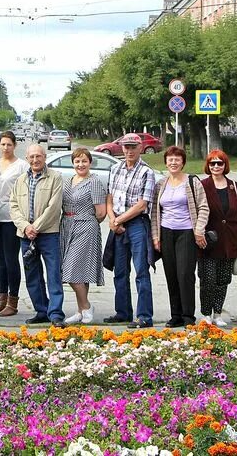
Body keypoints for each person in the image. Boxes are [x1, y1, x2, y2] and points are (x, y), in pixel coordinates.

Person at [150, 145, 209, 328]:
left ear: (183, 162)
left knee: (185, 274)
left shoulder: (192, 182)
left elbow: (203, 207)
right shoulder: (161, 184)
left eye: (177, 159)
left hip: (186, 233)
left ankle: (188, 316)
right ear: (166, 163)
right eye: (170, 160)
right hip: (166, 232)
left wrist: (199, 230)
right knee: (171, 275)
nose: (173, 162)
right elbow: (154, 212)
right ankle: (175, 315)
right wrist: (156, 236)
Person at [104, 133, 157, 329]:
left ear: (140, 147)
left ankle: (144, 316)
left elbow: (142, 204)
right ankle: (123, 312)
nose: (129, 150)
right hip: (117, 224)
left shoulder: (146, 172)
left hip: (136, 224)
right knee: (120, 271)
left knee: (141, 271)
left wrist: (118, 219)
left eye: (133, 146)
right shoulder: (115, 168)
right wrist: (112, 220)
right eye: (126, 146)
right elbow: (109, 197)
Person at [10, 143, 65, 328]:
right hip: (25, 236)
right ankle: (41, 310)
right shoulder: (20, 180)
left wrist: (36, 227)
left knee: (53, 274)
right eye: (31, 157)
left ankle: (56, 313)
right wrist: (26, 227)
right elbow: (13, 206)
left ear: (44, 157)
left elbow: (54, 207)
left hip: (48, 234)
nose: (35, 160)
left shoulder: (55, 178)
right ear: (27, 159)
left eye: (38, 156)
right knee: (32, 275)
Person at [199, 149, 237, 327]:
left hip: (229, 240)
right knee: (208, 279)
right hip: (209, 241)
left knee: (222, 280)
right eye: (212, 163)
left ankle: (218, 313)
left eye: (219, 163)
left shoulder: (235, 186)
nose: (216, 166)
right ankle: (206, 313)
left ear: (225, 165)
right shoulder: (202, 185)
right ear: (208, 166)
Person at [59, 148, 107, 324]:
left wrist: (86, 222)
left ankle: (86, 306)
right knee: (80, 272)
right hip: (67, 225)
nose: (81, 164)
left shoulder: (93, 182)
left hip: (86, 226)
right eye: (77, 161)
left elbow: (101, 213)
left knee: (71, 271)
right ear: (73, 163)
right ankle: (80, 311)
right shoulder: (68, 181)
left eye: (84, 161)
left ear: (90, 162)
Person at [0, 131, 29, 317]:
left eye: (9, 144)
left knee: (11, 261)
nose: (5, 148)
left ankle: (13, 300)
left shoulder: (21, 166)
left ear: (14, 145)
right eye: (2, 144)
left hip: (13, 218)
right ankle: (1, 298)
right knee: (0, 261)